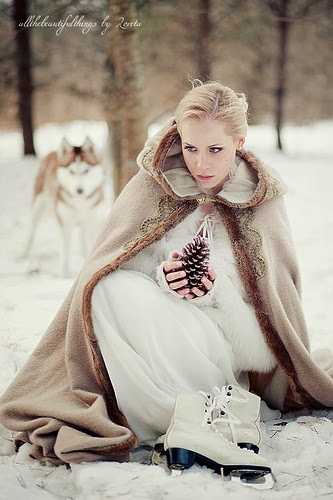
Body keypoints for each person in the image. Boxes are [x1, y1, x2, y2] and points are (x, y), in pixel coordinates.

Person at [0, 80, 332, 479]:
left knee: (120, 293)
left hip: (219, 358)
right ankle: (184, 422)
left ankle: (181, 419)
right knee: (108, 287)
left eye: (216, 150)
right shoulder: (153, 186)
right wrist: (163, 277)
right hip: (149, 339)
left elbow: (267, 350)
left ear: (240, 142)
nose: (201, 164)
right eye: (191, 148)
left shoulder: (262, 207)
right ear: (177, 137)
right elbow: (105, 272)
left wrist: (215, 294)